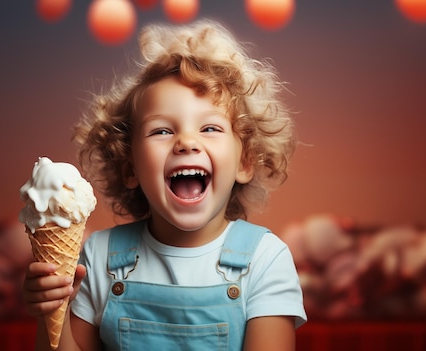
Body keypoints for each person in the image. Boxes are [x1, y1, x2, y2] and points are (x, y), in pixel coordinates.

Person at [22, 19, 307, 351]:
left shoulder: (265, 260)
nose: (186, 142)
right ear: (130, 168)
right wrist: (51, 310)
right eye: (162, 131)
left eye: (210, 128)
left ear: (246, 162)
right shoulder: (98, 257)